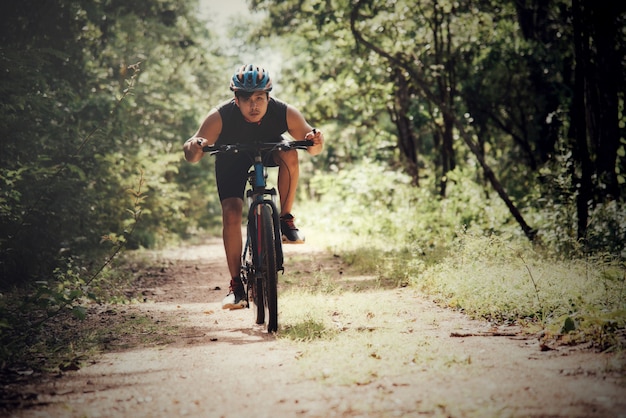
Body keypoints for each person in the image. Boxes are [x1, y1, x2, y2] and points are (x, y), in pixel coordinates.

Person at [183, 64, 324, 310]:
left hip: (269, 150)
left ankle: (285, 219)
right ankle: (236, 287)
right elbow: (191, 154)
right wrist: (195, 146)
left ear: (268, 96)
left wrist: (315, 141)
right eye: (246, 99)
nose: (254, 105)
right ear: (236, 99)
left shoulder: (284, 112)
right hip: (231, 157)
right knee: (231, 213)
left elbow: (313, 147)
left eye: (259, 98)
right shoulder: (220, 115)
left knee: (290, 153)